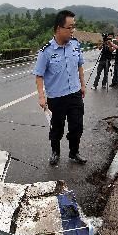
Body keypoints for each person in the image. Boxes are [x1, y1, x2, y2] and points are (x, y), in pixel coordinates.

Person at [34, 10, 86, 166]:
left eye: (73, 27)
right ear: (58, 29)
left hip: (75, 94)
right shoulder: (46, 51)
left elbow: (80, 66)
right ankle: (55, 152)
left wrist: (83, 85)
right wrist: (41, 96)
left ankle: (74, 152)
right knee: (57, 128)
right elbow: (39, 75)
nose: (72, 31)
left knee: (77, 126)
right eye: (69, 28)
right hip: (56, 98)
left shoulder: (75, 45)